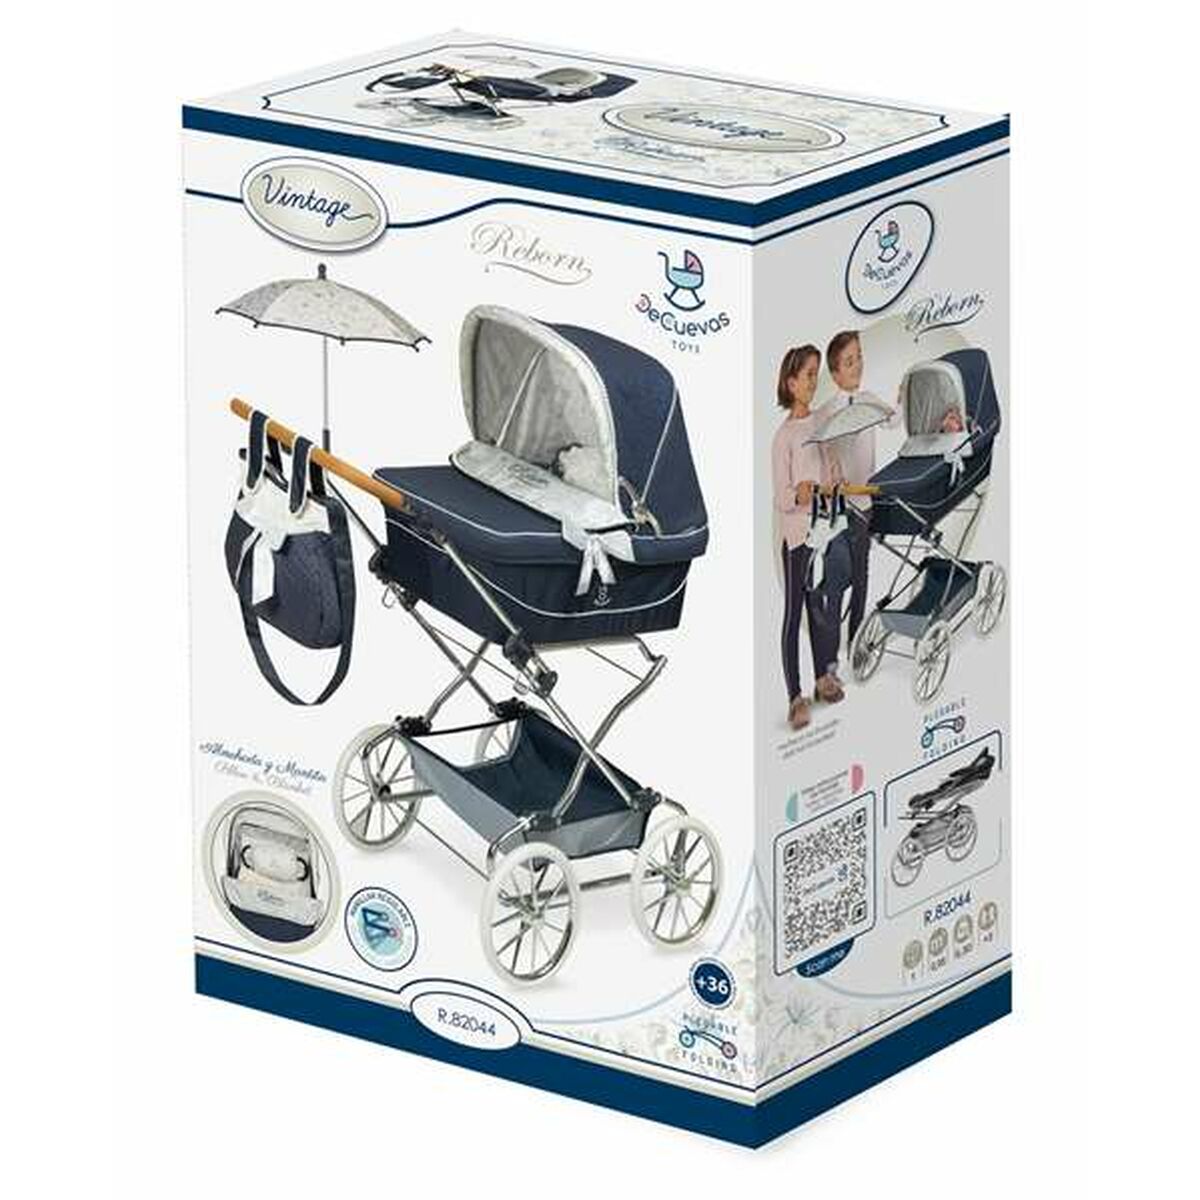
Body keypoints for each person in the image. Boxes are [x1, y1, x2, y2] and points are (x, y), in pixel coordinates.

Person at [772, 346, 844, 732]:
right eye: (808, 375)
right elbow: (782, 499)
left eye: (817, 373)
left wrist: (834, 479)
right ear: (791, 383)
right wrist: (798, 493)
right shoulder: (783, 438)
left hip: (823, 534)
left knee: (820, 609)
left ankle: (822, 678)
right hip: (797, 540)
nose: (814, 381)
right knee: (794, 613)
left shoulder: (822, 427)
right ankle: (795, 697)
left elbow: (831, 473)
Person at [824, 330, 895, 646]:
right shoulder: (828, 412)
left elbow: (892, 420)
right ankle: (828, 646)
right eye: (849, 362)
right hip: (839, 507)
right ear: (835, 373)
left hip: (865, 503)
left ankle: (855, 641)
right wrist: (833, 474)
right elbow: (823, 452)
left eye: (860, 357)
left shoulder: (869, 401)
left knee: (862, 574)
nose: (858, 366)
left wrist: (902, 398)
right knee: (837, 575)